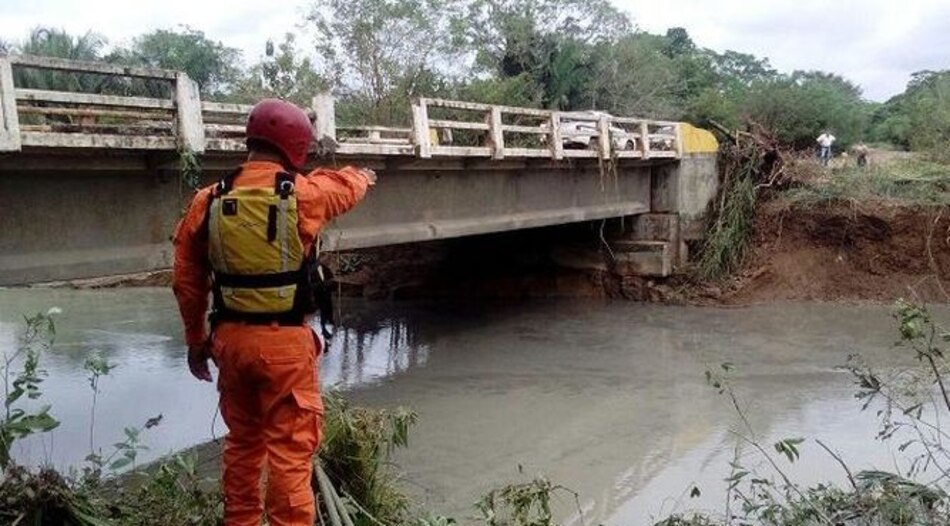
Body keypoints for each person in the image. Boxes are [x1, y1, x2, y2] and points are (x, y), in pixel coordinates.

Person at [172, 98, 375, 526]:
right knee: (290, 457)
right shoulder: (304, 194)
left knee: (243, 446)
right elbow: (344, 189)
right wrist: (362, 174)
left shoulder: (208, 199)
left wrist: (195, 343)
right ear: (295, 145)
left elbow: (188, 284)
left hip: (230, 345)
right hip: (284, 347)